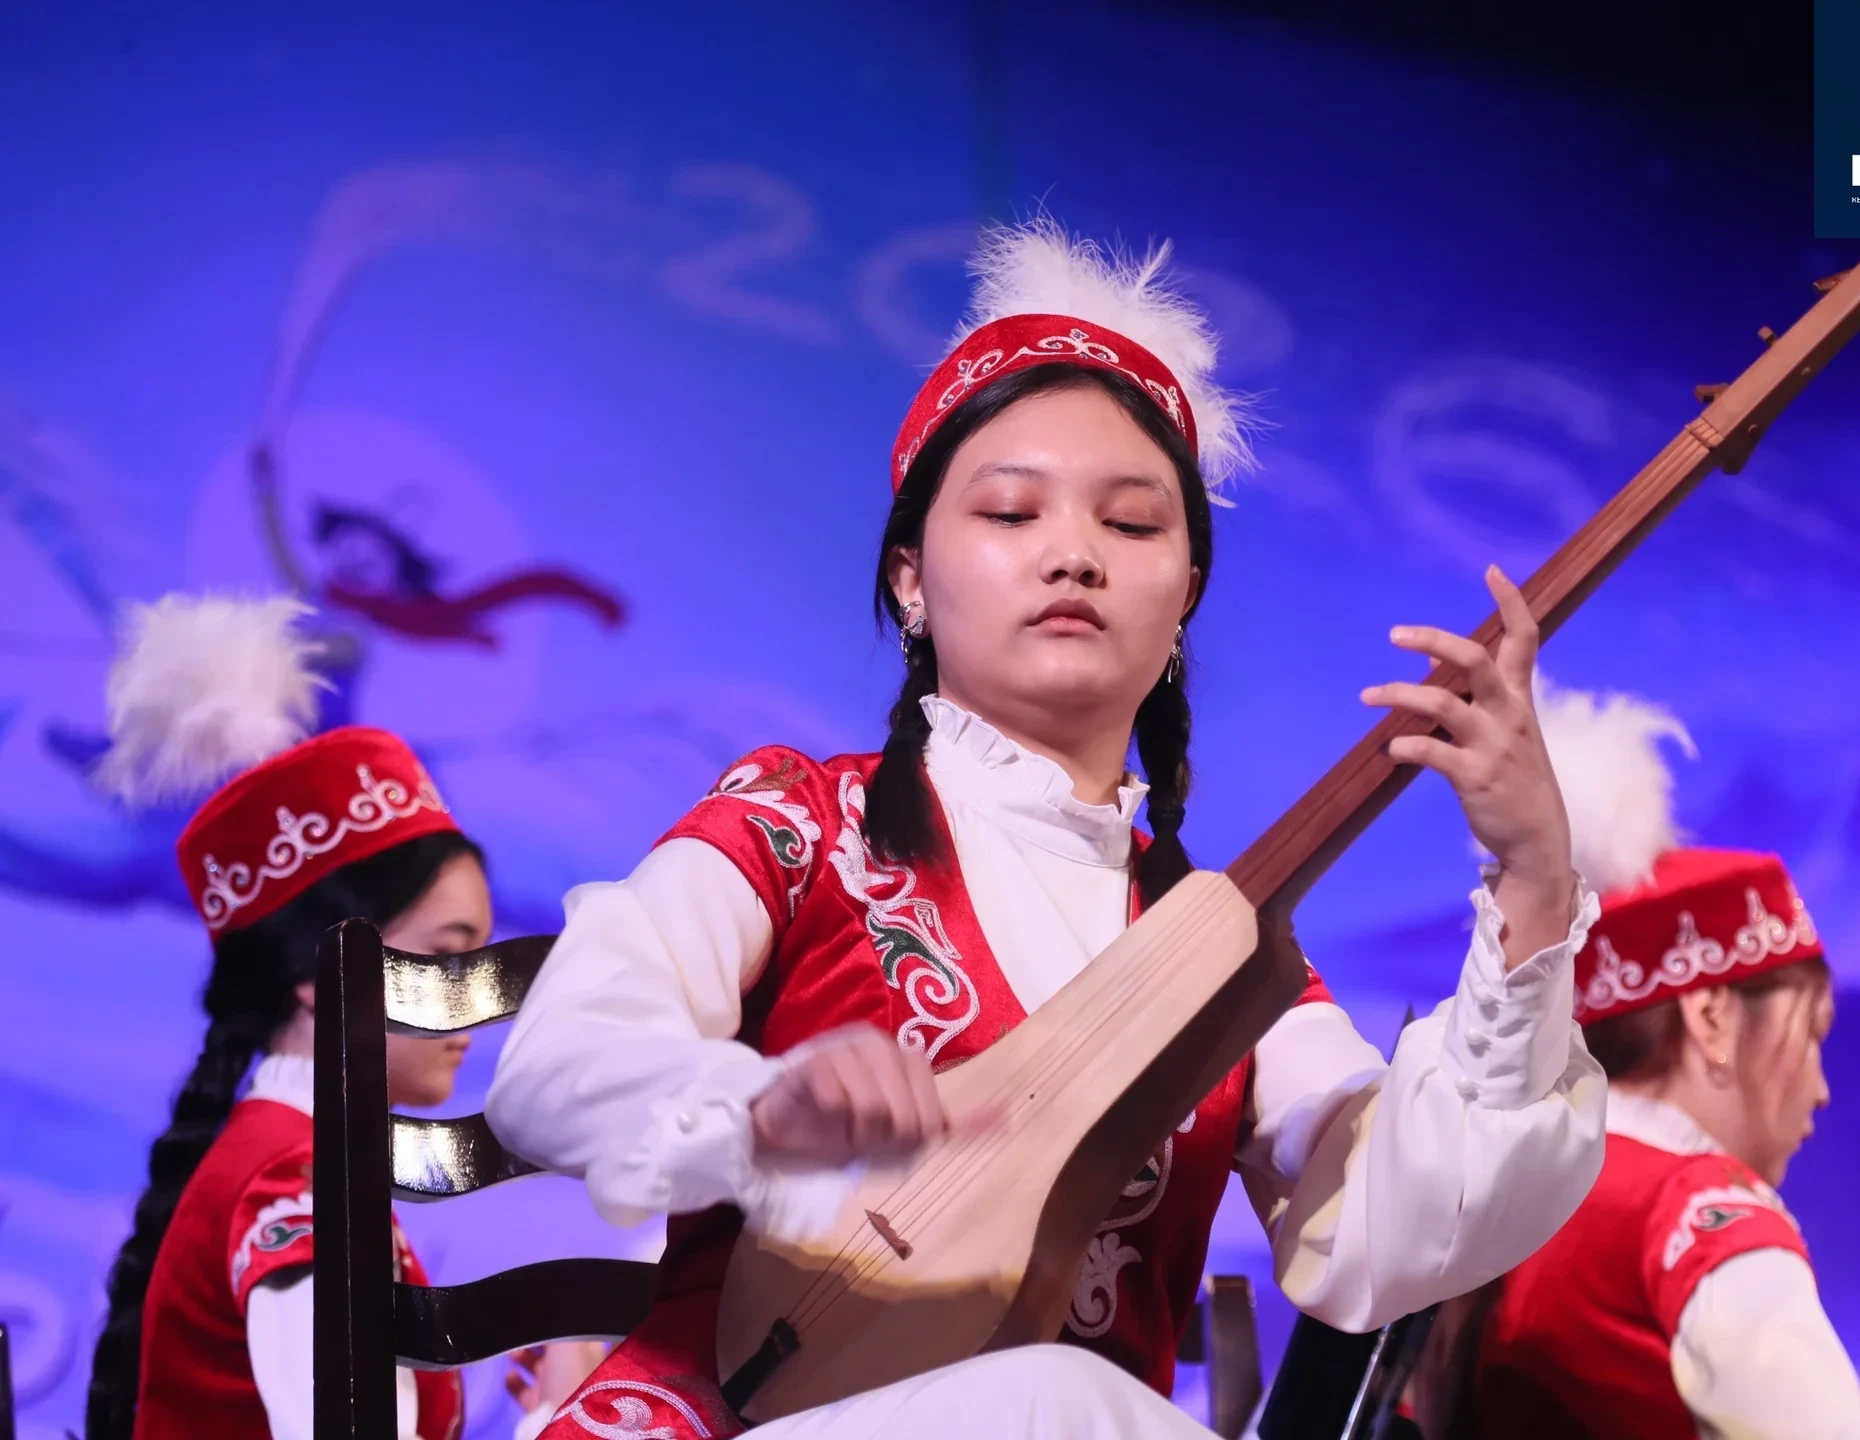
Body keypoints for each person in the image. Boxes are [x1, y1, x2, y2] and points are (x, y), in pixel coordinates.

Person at [485, 218, 1610, 1439]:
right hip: (735, 1422)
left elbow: (1401, 1236)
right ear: (911, 579)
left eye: (1131, 525)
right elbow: (555, 1069)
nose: (1073, 554)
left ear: (1184, 600)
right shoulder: (799, 822)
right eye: (1013, 512)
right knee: (1059, 1401)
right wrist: (763, 1109)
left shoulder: (1220, 958)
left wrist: (1533, 878)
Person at [80, 594, 597, 1440]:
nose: (475, 1000)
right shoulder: (293, 1181)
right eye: (445, 957)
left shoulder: (298, 1162)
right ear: (323, 978)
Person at [1462, 681, 1860, 1439]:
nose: (1821, 1088)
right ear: (1712, 1014)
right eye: (1810, 1033)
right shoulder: (1695, 1209)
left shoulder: (1509, 1205)